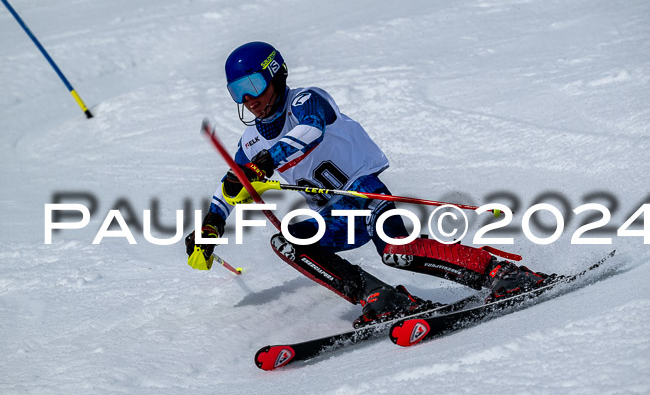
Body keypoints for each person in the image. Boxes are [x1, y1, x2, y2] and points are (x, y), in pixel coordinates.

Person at [186, 41, 549, 327]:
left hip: (365, 197)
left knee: (397, 251)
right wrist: (209, 227)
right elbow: (231, 185)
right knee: (287, 240)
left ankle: (502, 273)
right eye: (237, 91)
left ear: (275, 74)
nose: (249, 100)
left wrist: (271, 159)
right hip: (333, 218)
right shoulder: (251, 141)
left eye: (253, 85)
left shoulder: (307, 100)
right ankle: (379, 298)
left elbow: (311, 130)